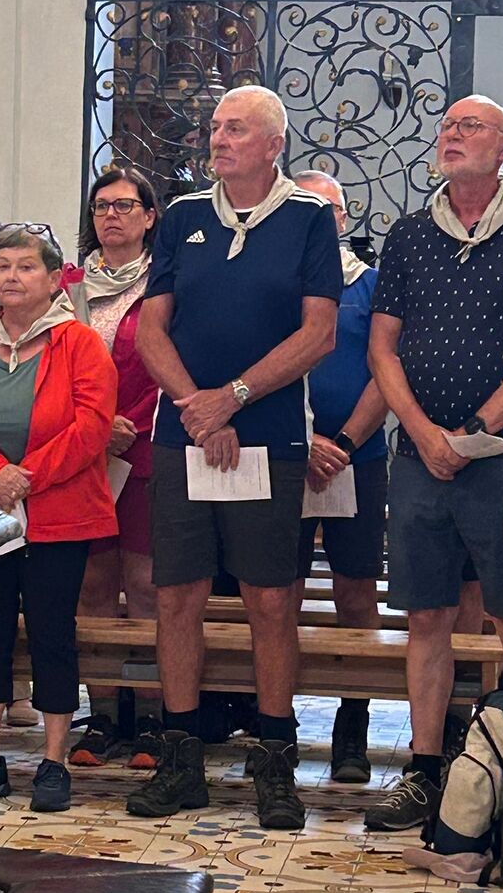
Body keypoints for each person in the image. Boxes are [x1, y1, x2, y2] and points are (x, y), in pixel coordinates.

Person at [128, 85, 342, 830]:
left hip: (271, 436)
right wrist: (198, 405)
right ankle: (180, 759)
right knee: (177, 596)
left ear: (273, 145)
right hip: (184, 432)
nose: (218, 139)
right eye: (215, 127)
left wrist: (235, 397)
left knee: (270, 601)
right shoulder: (183, 216)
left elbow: (318, 333)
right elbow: (151, 329)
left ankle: (274, 763)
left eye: (236, 129)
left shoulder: (307, 219)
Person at [365, 95, 503, 831]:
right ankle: (423, 771)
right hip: (420, 458)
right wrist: (424, 433)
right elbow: (382, 347)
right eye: (447, 126)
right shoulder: (410, 233)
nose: (452, 135)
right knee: (426, 614)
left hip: (501, 457)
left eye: (470, 126)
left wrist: (473, 431)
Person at [0, 223, 118, 812]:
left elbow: (91, 426)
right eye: (4, 266)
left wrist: (27, 475)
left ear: (55, 278)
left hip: (59, 510)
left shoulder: (80, 343)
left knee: (51, 631)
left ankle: (54, 759)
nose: (12, 276)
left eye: (26, 266)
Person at [291, 170, 389, 784]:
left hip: (358, 456)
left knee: (355, 592)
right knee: (278, 592)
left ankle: (353, 721)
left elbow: (387, 370)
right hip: (285, 455)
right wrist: (302, 442)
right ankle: (275, 722)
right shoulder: (279, 284)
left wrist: (344, 443)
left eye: (328, 210)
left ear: (345, 220)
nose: (319, 219)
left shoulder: (371, 284)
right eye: (306, 207)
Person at [70, 166, 165, 770]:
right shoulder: (68, 287)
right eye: (102, 206)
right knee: (94, 585)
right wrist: (94, 427)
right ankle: (103, 713)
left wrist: (125, 424)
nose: (112, 215)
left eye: (125, 206)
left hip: (147, 447)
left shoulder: (166, 283)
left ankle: (153, 717)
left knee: (149, 585)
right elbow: (52, 364)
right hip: (83, 452)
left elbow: (172, 364)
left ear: (150, 217)